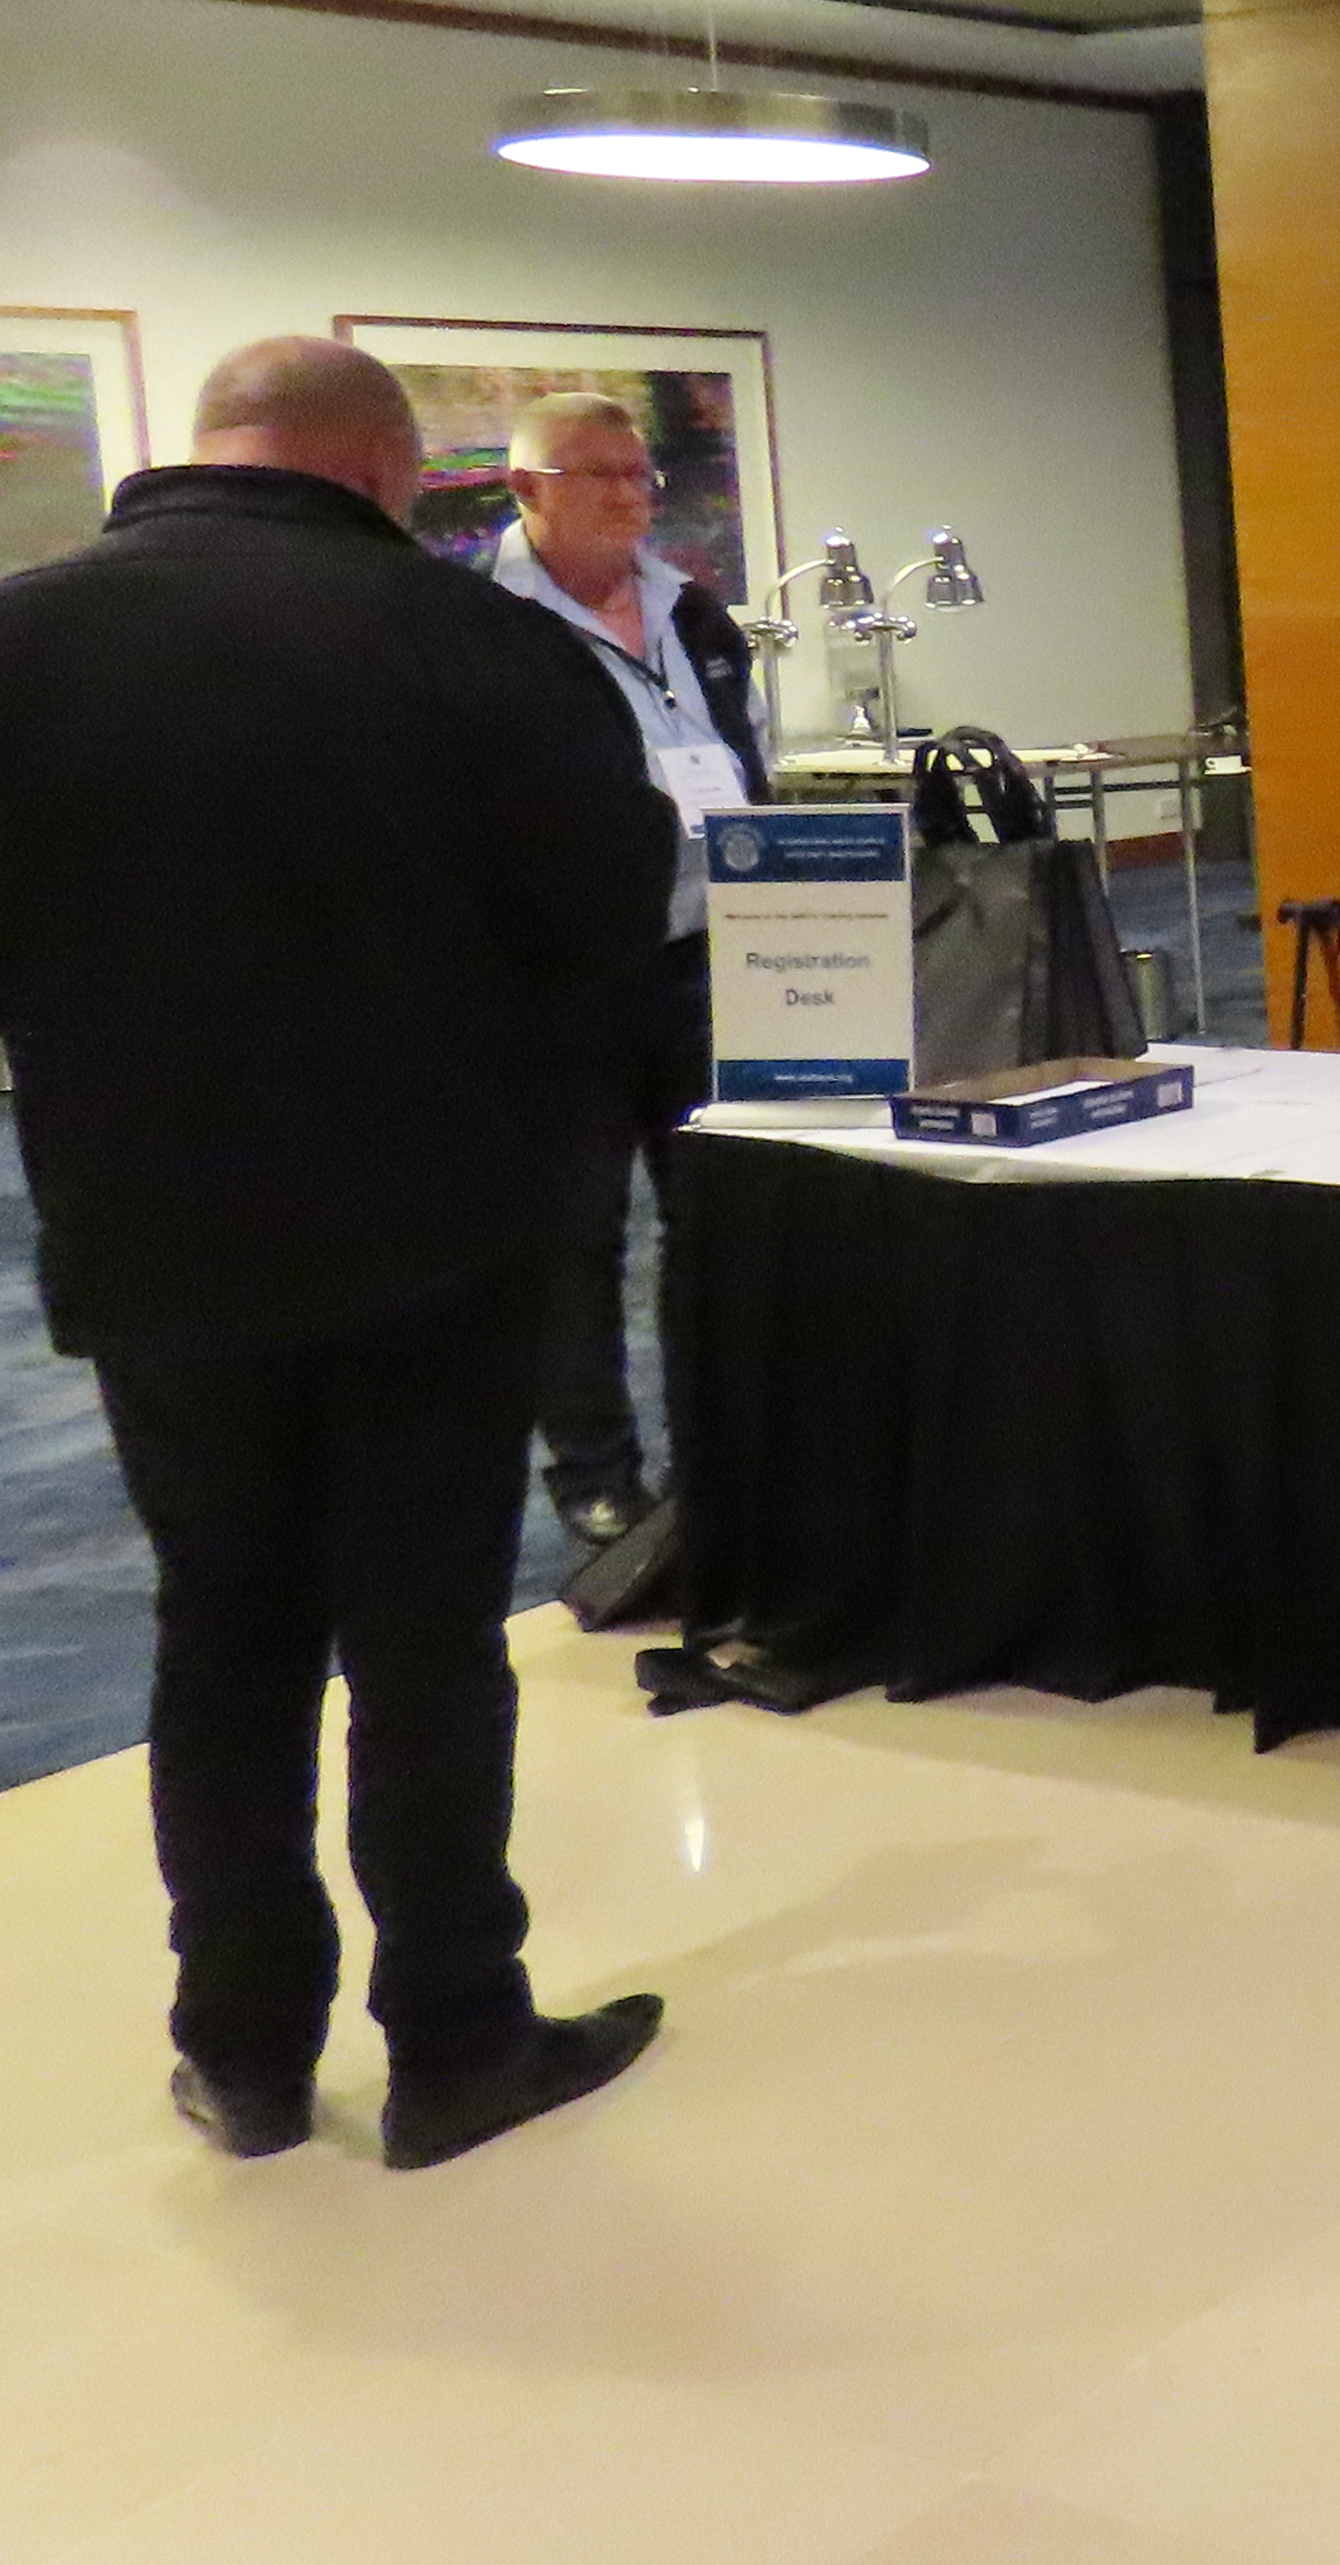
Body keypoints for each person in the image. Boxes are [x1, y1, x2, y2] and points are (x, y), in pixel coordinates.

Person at [0, 338, 681, 2169]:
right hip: (435, 1227)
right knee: (422, 1636)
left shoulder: (23, 635)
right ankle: (457, 2032)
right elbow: (608, 913)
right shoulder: (477, 645)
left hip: (149, 1233)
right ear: (387, 471)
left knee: (217, 1629)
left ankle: (240, 2048)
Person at [488, 390, 771, 1544]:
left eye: (641, 475)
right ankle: (600, 1479)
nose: (630, 496)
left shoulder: (692, 611)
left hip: (708, 959)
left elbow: (748, 751)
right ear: (526, 490)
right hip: (559, 983)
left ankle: (734, 1459)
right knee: (575, 1237)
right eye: (598, 474)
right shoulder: (476, 623)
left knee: (721, 1220)